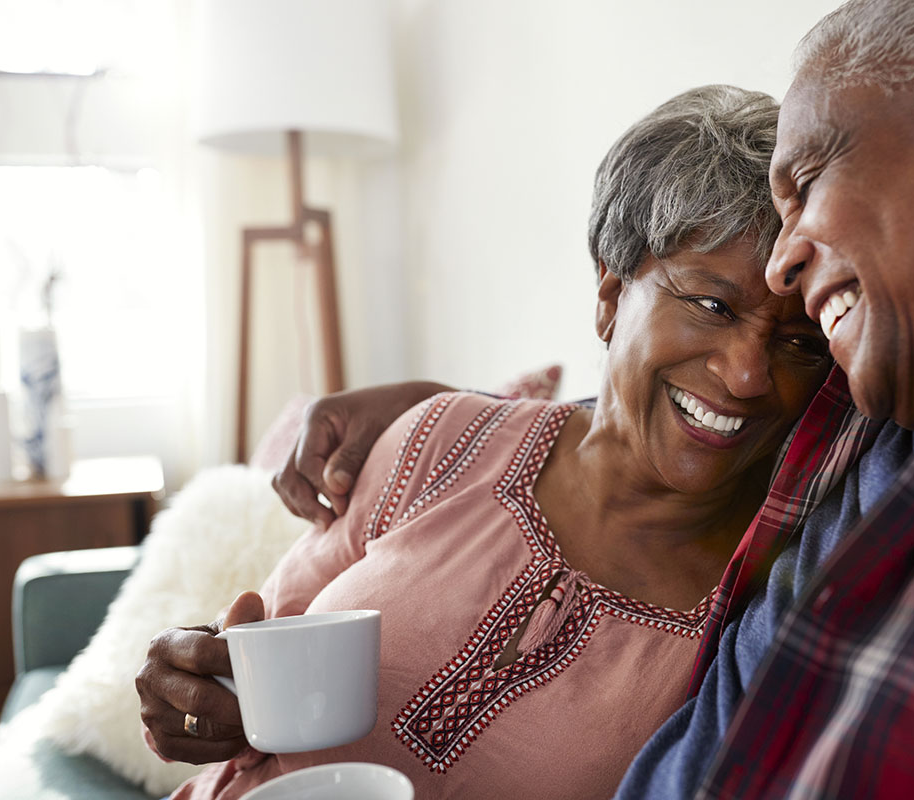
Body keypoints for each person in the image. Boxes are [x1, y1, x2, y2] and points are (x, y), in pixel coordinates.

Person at [282, 1, 914, 797]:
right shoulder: (873, 431)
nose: (786, 261)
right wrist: (434, 419)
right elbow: (616, 435)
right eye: (712, 300)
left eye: (810, 177)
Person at [136, 85, 836, 800]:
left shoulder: (764, 609)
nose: (750, 374)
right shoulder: (441, 438)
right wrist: (193, 689)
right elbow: (249, 653)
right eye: (712, 306)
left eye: (799, 342)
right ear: (610, 291)